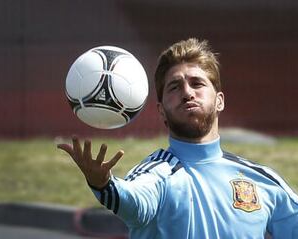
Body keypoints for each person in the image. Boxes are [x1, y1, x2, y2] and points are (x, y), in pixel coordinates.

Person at [57, 38, 298, 238]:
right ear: (161, 110)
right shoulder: (156, 173)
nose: (187, 93)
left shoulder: (262, 180)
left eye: (197, 83)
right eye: (174, 87)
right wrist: (104, 184)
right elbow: (135, 203)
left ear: (220, 101)